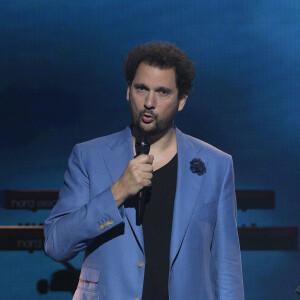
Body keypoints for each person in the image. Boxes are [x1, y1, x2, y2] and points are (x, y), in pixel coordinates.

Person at [44, 41, 244, 300]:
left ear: (181, 100)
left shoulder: (216, 165)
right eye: (141, 89)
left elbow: (226, 266)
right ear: (128, 91)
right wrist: (116, 192)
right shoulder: (89, 156)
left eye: (162, 92)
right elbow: (56, 245)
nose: (149, 102)